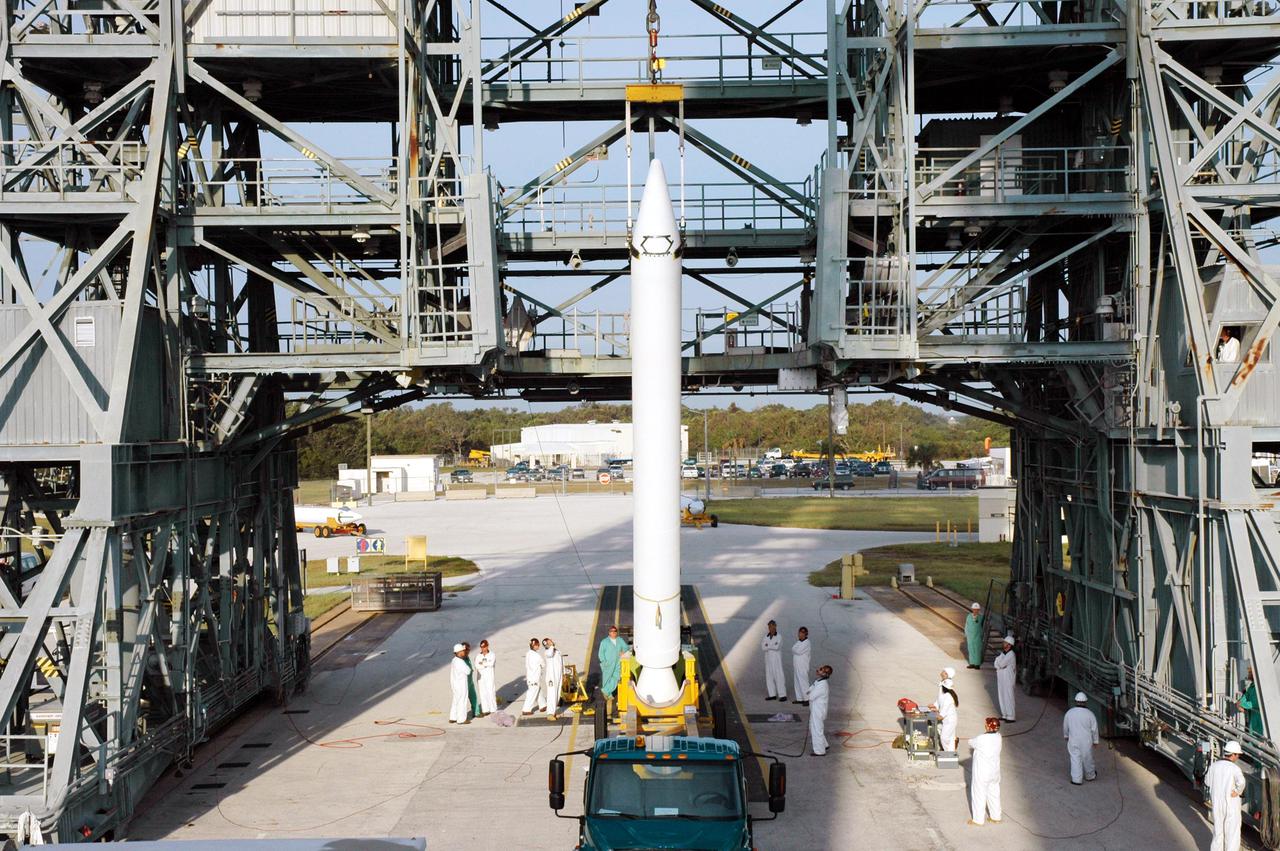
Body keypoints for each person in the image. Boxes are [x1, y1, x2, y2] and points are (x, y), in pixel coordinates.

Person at [1206, 740, 1247, 851]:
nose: (1238, 757)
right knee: (1232, 834)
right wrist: (1238, 791)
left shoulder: (1214, 766)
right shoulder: (1235, 769)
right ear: (1232, 754)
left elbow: (1207, 782)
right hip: (1231, 805)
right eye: (1237, 754)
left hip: (1217, 805)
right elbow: (1242, 782)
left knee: (1218, 832)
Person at [967, 717, 1003, 826]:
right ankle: (996, 816)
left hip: (982, 772)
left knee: (979, 793)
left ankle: (978, 820)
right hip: (995, 772)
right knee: (994, 793)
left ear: (988, 726)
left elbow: (971, 742)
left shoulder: (981, 739)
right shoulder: (999, 737)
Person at [1063, 691, 1099, 784]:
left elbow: (1065, 726)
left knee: (1075, 758)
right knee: (1088, 758)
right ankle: (1090, 775)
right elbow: (1094, 729)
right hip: (1086, 741)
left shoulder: (1069, 713)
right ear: (1086, 702)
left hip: (1073, 740)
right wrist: (1095, 741)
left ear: (1076, 701)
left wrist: (1066, 736)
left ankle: (1076, 780)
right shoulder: (1090, 714)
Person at [597, 625, 629, 701]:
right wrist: (604, 662)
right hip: (608, 664)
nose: (613, 632)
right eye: (612, 631)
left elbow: (626, 647)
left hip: (618, 663)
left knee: (617, 678)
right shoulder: (604, 642)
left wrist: (623, 651)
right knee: (607, 679)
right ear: (609, 632)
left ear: (616, 632)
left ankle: (606, 691)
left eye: (615, 631)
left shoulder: (620, 640)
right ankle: (609, 693)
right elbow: (600, 653)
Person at [808, 665, 832, 756]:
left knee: (817, 729)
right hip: (815, 709)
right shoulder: (818, 681)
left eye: (821, 670)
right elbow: (809, 691)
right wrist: (809, 692)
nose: (818, 670)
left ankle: (819, 751)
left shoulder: (822, 685)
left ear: (825, 674)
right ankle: (824, 744)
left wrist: (809, 693)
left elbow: (811, 696)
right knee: (813, 727)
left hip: (818, 711)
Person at [931, 676, 959, 752]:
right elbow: (939, 706)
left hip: (949, 721)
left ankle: (949, 753)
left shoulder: (948, 698)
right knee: (939, 729)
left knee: (944, 738)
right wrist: (933, 708)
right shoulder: (945, 695)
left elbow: (940, 717)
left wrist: (930, 715)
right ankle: (951, 749)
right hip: (946, 720)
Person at [761, 620, 786, 701]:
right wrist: (771, 645)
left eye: (772, 626)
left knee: (779, 676)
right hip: (768, 660)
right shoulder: (766, 637)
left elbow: (777, 647)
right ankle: (772, 694)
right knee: (769, 677)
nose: (770, 628)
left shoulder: (779, 636)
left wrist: (768, 645)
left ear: (775, 626)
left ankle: (782, 695)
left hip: (776, 660)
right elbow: (763, 647)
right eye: (769, 626)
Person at [993, 636, 1016, 723]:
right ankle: (1005, 714)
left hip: (1008, 679)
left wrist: (998, 663)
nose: (1004, 644)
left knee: (1008, 696)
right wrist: (998, 663)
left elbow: (1001, 664)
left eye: (1005, 643)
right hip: (1002, 678)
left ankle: (1011, 716)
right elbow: (996, 663)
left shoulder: (1011, 654)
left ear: (1009, 645)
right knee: (1002, 695)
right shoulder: (1003, 653)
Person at [1237, 667, 1264, 737]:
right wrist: (1240, 703)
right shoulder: (1251, 686)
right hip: (1253, 717)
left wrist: (1241, 704)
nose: (1248, 674)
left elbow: (1255, 703)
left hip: (1259, 718)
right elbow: (1245, 697)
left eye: (1249, 673)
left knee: (1259, 737)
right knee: (1252, 736)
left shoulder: (1257, 687)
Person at [521, 637, 545, 716]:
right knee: (532, 694)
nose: (538, 646)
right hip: (535, 678)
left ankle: (543, 705)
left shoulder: (528, 653)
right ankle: (526, 709)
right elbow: (543, 664)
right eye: (537, 645)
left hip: (530, 677)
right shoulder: (537, 656)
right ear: (535, 646)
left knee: (539, 691)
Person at [449, 643, 471, 724]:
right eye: (463, 651)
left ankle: (453, 717)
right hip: (461, 685)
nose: (464, 652)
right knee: (462, 700)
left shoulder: (454, 660)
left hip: (455, 684)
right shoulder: (460, 662)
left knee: (456, 700)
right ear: (459, 652)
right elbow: (468, 671)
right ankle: (461, 719)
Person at [543, 637, 565, 720]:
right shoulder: (547, 652)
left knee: (557, 694)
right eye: (549, 641)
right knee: (552, 694)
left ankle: (554, 712)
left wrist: (564, 674)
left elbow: (561, 663)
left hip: (558, 675)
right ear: (547, 644)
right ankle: (550, 713)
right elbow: (550, 654)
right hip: (551, 677)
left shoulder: (557, 651)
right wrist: (551, 646)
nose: (552, 641)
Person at [475, 639, 497, 716]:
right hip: (480, 678)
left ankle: (493, 708)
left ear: (487, 646)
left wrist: (482, 663)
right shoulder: (478, 656)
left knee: (491, 692)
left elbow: (491, 664)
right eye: (481, 647)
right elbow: (477, 666)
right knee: (482, 693)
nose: (483, 648)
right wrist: (486, 664)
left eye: (484, 647)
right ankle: (485, 709)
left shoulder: (492, 654)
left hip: (489, 676)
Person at [792, 627, 812, 705]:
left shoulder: (807, 642)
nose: (800, 634)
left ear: (806, 634)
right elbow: (793, 648)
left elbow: (797, 651)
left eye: (802, 633)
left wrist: (795, 650)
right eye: (799, 632)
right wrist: (795, 650)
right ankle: (799, 698)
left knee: (804, 682)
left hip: (803, 666)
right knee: (797, 681)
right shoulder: (799, 642)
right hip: (797, 665)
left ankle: (807, 699)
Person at [461, 642, 479, 718]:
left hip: (470, 681)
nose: (467, 651)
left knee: (473, 696)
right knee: (462, 699)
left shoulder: (467, 657)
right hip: (463, 682)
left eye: (468, 649)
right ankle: (461, 716)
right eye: (466, 649)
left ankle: (476, 712)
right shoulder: (460, 659)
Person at [965, 603, 985, 669]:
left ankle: (977, 664)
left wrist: (981, 635)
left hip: (977, 637)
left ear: (978, 610)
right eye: (974, 609)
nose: (975, 611)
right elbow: (966, 626)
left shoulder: (981, 618)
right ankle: (972, 663)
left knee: (977, 650)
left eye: (977, 610)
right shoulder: (968, 616)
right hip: (970, 636)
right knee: (971, 649)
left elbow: (983, 627)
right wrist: (967, 634)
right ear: (972, 609)